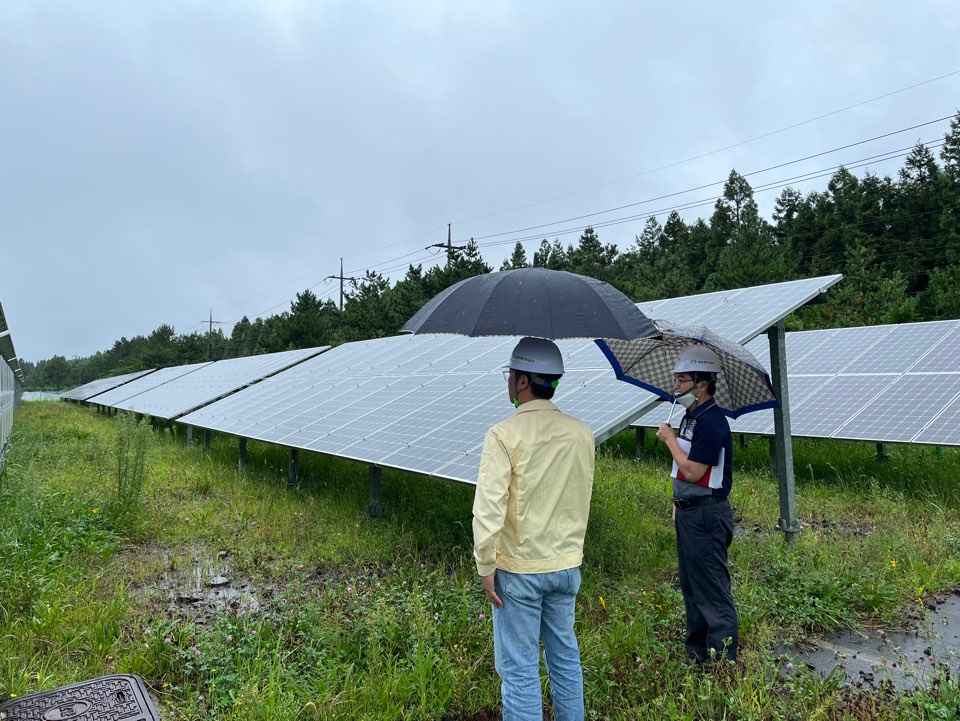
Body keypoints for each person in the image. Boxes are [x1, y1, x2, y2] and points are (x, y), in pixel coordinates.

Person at [473, 337, 596, 721]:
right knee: (565, 659)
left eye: (510, 375)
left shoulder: (503, 434)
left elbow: (489, 507)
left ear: (523, 381)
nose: (508, 381)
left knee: (520, 669)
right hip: (566, 566)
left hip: (520, 570)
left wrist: (485, 565)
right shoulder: (581, 433)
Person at [655, 345, 738, 663]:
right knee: (691, 586)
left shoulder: (711, 422)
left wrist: (670, 441)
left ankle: (722, 661)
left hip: (707, 516)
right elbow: (687, 474)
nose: (675, 385)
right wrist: (679, 503)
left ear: (701, 383)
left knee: (711, 590)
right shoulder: (692, 417)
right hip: (691, 512)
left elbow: (693, 469)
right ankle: (698, 652)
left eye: (682, 379)